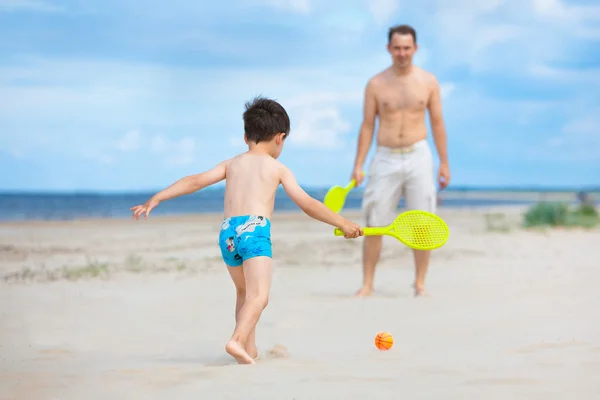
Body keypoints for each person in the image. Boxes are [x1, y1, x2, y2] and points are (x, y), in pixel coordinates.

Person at [130, 96, 363, 365]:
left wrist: (157, 198)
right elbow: (307, 204)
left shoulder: (231, 164)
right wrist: (342, 223)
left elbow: (195, 181)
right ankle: (237, 340)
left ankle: (248, 350)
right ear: (280, 137)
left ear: (245, 137)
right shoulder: (277, 168)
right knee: (259, 296)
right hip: (255, 229)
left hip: (228, 232)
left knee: (244, 293)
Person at [350, 24, 450, 297]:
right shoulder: (376, 84)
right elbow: (367, 125)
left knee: (424, 224)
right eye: (397, 48)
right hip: (385, 157)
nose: (402, 53)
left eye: (407, 48)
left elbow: (438, 123)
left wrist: (444, 163)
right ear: (388, 49)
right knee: (374, 222)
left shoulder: (428, 82)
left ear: (415, 49)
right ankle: (368, 284)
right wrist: (358, 164)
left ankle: (419, 284)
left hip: (419, 155)